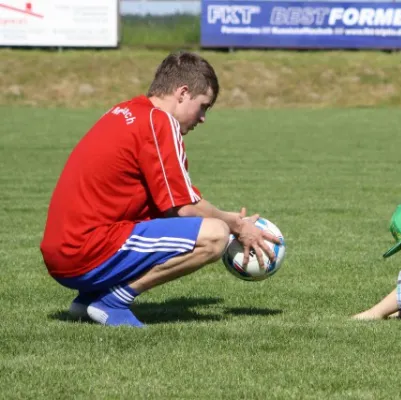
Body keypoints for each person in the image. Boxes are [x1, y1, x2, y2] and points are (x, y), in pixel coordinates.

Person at [40, 51, 279, 328]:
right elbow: (183, 207)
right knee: (215, 235)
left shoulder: (126, 110)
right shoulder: (159, 121)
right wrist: (237, 225)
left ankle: (88, 299)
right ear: (182, 92)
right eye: (203, 106)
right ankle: (112, 300)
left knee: (187, 223)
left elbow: (166, 204)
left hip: (63, 251)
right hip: (85, 250)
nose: (202, 118)